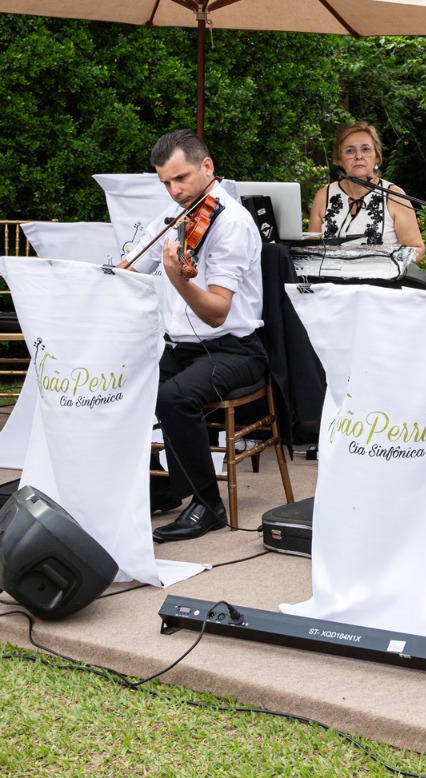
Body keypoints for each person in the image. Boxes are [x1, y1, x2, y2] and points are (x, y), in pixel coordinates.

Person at [122, 129, 268, 542]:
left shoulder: (231, 224)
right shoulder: (174, 218)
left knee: (173, 397)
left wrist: (179, 280)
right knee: (127, 383)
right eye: (166, 182)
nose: (175, 190)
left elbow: (218, 312)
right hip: (184, 348)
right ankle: (172, 485)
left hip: (236, 350)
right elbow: (133, 269)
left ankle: (208, 505)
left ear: (208, 166)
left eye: (181, 178)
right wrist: (113, 276)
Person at [307, 121, 426, 263]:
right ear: (339, 159)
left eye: (365, 149)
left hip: (380, 281)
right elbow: (309, 249)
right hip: (331, 281)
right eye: (350, 151)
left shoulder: (394, 196)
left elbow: (417, 250)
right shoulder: (323, 196)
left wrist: (385, 259)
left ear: (377, 156)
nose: (358, 156)